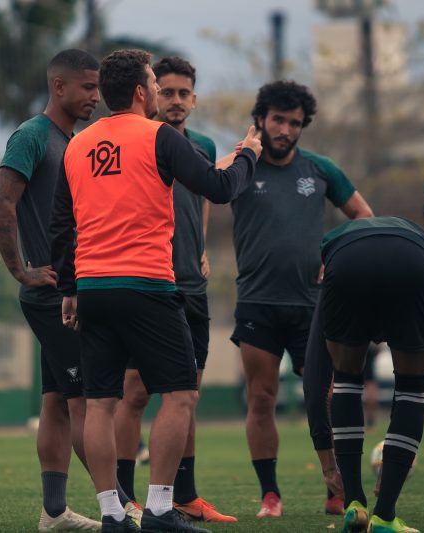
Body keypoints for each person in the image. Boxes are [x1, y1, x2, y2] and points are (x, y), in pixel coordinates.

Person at [50, 49, 262, 533]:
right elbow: (220, 186)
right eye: (155, 84)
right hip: (146, 284)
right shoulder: (158, 136)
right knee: (181, 394)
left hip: (93, 288)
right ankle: (162, 508)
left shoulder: (77, 145)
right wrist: (248, 153)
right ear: (143, 92)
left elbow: (61, 226)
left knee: (101, 403)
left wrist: (69, 288)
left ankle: (112, 514)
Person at [226, 80, 373, 518]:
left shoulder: (320, 169)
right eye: (278, 119)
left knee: (325, 398)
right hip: (257, 302)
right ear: (260, 120)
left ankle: (336, 486)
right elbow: (202, 183)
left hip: (313, 304)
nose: (286, 129)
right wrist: (239, 154)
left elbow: (363, 215)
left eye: (294, 122)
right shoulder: (241, 167)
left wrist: (338, 254)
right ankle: (270, 495)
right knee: (262, 396)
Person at [112, 56, 236, 523]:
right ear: (148, 94)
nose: (176, 100)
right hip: (147, 283)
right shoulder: (141, 141)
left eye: (184, 93)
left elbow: (202, 194)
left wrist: (200, 247)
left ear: (194, 99)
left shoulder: (200, 145)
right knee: (136, 391)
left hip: (190, 284)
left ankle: (184, 495)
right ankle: (126, 498)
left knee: (188, 393)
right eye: (167, 92)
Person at [0, 49, 102, 532]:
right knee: (86, 400)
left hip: (69, 290)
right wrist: (22, 272)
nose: (95, 97)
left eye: (98, 88)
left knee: (57, 399)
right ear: (59, 87)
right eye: (87, 88)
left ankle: (54, 513)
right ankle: (120, 506)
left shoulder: (71, 140)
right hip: (51, 296)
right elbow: (2, 205)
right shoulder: (33, 136)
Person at [306, 215, 424, 533]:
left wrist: (327, 462)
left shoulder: (334, 255)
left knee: (346, 377)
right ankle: (385, 516)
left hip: (347, 261)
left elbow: (314, 378)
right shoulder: (420, 241)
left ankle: (354, 503)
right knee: (412, 388)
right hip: (410, 258)